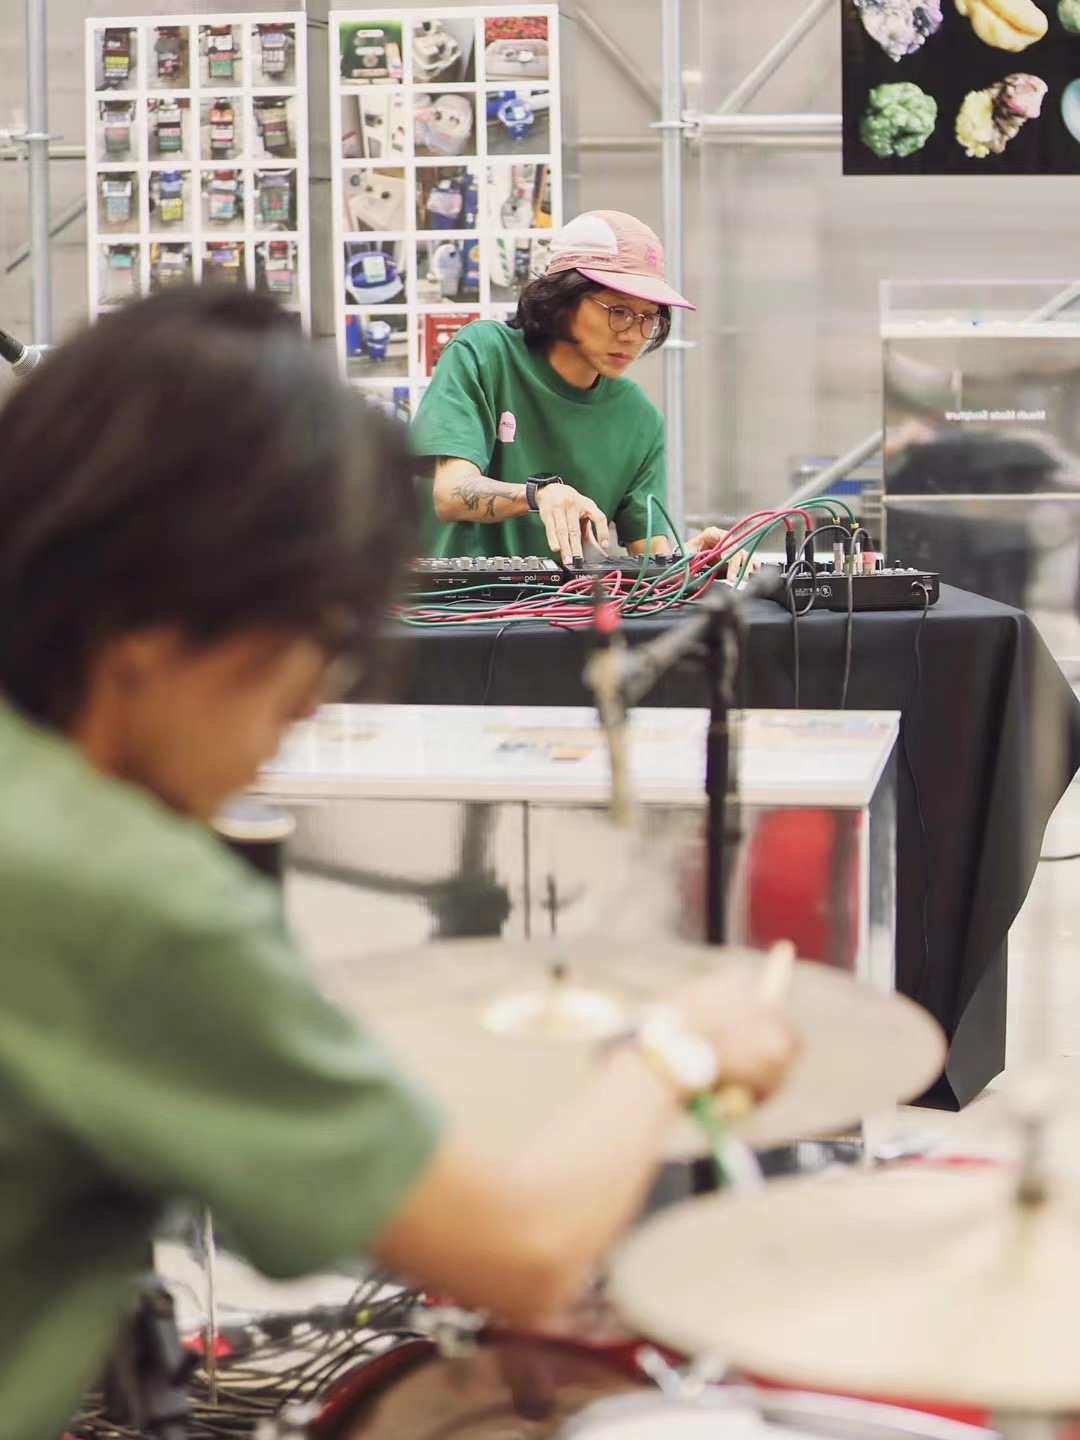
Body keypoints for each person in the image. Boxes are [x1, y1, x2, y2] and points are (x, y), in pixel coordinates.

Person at [0, 288, 796, 1437]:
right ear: (151, 627)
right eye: (311, 641)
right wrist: (677, 1047)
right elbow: (522, 1250)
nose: (312, 704)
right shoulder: (124, 897)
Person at [412, 210, 727, 566]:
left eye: (649, 317)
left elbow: (651, 560)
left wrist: (696, 560)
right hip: (455, 599)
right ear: (561, 299)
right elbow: (451, 493)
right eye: (619, 311)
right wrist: (538, 494)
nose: (633, 335)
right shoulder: (484, 353)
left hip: (563, 603)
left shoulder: (639, 418)